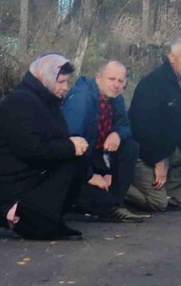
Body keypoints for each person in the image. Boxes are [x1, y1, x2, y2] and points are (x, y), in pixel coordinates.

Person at [0, 53, 90, 241]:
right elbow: (31, 149)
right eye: (61, 82)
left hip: (27, 172)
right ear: (46, 77)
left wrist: (72, 145)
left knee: (77, 161)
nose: (66, 88)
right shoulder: (20, 101)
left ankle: (50, 219)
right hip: (6, 176)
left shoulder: (46, 101)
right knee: (38, 232)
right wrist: (69, 147)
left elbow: (53, 140)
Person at [129, 38, 181, 212]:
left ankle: (174, 196)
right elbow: (143, 128)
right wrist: (159, 160)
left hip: (164, 149)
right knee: (157, 203)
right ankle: (118, 186)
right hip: (143, 152)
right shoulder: (153, 83)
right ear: (172, 57)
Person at [62, 59, 145, 223]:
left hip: (98, 158)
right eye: (111, 79)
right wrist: (90, 176)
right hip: (75, 166)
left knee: (130, 147)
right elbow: (69, 145)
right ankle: (100, 204)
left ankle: (115, 203)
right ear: (98, 78)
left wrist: (117, 134)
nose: (116, 85)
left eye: (120, 81)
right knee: (100, 201)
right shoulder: (82, 100)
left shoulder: (116, 99)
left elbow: (125, 127)